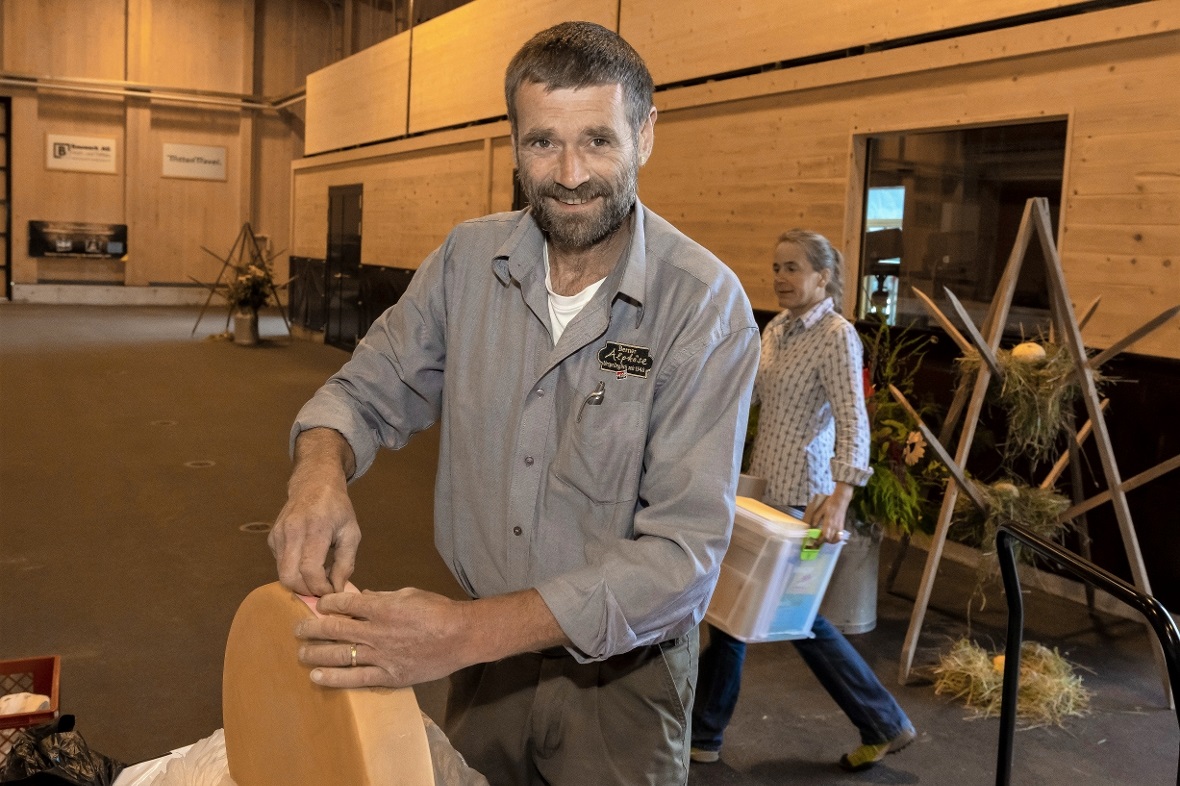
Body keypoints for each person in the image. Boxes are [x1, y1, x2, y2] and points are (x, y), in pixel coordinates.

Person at [267, 21, 760, 785]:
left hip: (621, 684)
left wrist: (464, 632)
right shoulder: (467, 263)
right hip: (483, 671)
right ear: (513, 141)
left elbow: (680, 560)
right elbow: (365, 391)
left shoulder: (700, 306)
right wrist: (318, 475)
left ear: (646, 134)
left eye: (598, 140)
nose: (569, 173)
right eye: (542, 143)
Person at [690, 229, 915, 772]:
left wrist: (841, 497)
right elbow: (754, 397)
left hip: (811, 501)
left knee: (799, 615)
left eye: (793, 268)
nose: (781, 278)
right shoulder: (778, 328)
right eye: (776, 268)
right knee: (738, 610)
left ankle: (883, 721)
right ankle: (705, 732)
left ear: (823, 276)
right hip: (769, 493)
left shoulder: (837, 336)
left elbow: (853, 419)